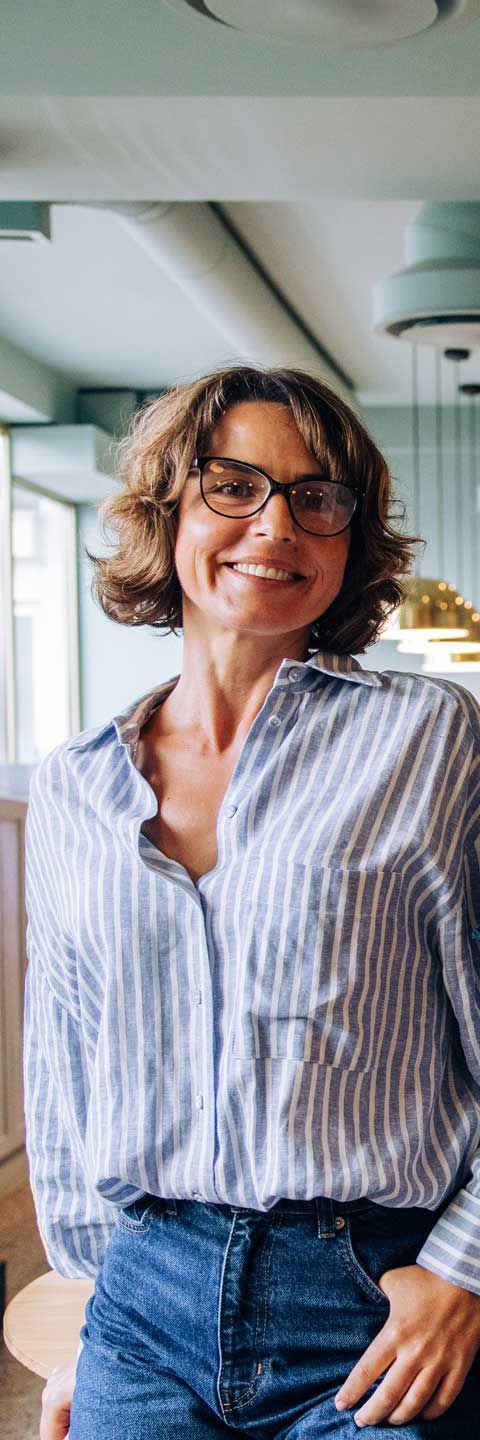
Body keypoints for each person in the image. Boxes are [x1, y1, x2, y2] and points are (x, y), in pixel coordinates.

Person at [23, 364, 480, 1440]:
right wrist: (89, 1326)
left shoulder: (433, 740)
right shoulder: (75, 785)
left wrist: (464, 1270)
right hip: (144, 1310)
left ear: (348, 539)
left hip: (374, 1307)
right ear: (166, 508)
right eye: (233, 485)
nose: (275, 523)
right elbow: (67, 1070)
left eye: (317, 498)